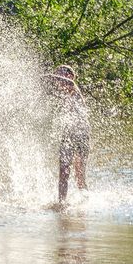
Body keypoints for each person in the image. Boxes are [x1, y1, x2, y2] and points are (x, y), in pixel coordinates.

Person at [47, 65, 90, 203]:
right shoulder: (64, 93)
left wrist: (48, 76)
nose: (57, 81)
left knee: (79, 174)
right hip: (68, 133)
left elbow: (70, 83)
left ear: (69, 76)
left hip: (82, 133)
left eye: (59, 76)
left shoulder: (74, 88)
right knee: (63, 171)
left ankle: (85, 201)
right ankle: (61, 202)